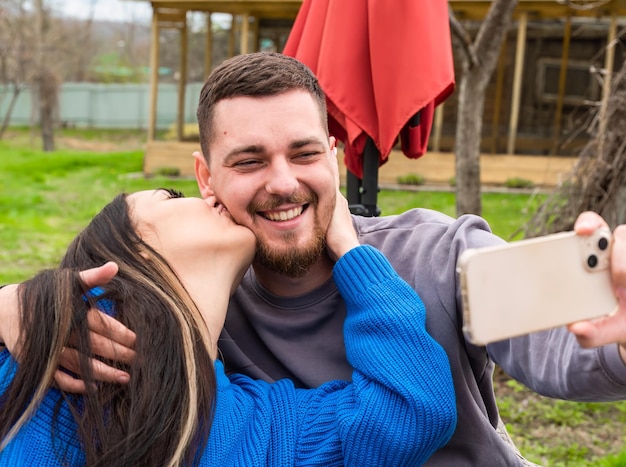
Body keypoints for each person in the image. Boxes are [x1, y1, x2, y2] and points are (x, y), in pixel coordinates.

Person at [3, 51, 626, 464]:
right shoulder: (175, 312)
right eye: (249, 160)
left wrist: (614, 321)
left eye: (303, 154)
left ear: (333, 157)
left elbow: (566, 337)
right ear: (206, 179)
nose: (282, 183)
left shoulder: (431, 253)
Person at [0, 183, 457, 465]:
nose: (212, 198)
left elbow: (412, 412)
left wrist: (351, 250)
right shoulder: (40, 355)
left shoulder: (264, 423)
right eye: (172, 197)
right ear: (132, 251)